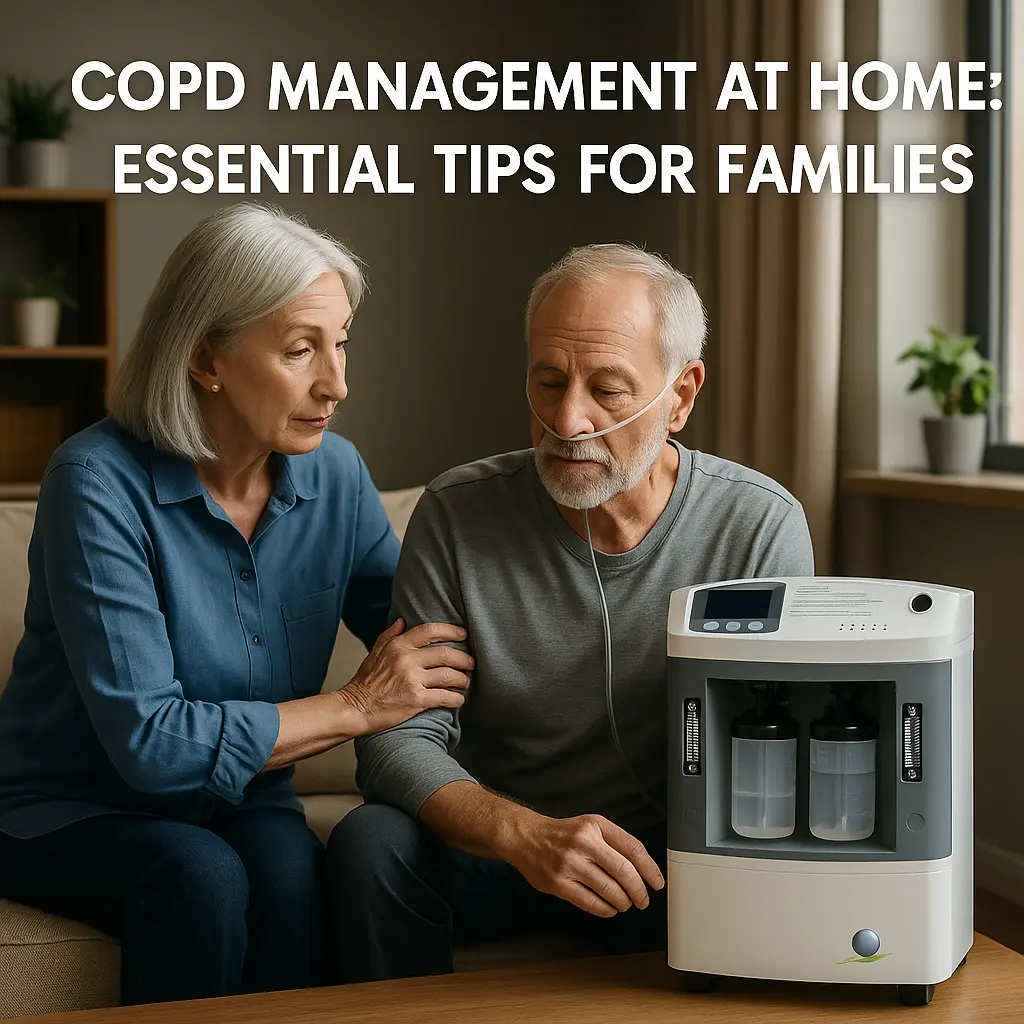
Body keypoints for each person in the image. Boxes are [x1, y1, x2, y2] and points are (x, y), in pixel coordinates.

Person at [0, 203, 473, 1005]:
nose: (338, 382)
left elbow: (427, 632)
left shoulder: (336, 475)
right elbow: (150, 743)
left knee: (293, 874)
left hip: (245, 795)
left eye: (342, 341)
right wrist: (354, 705)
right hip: (67, 810)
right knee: (202, 875)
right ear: (204, 356)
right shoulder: (95, 485)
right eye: (301, 350)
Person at [326, 243, 815, 981]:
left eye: (608, 390)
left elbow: (776, 744)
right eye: (548, 381)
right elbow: (396, 742)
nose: (568, 418)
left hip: (664, 858)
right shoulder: (458, 515)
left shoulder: (756, 525)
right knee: (370, 841)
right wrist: (524, 835)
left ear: (680, 396)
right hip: (500, 847)